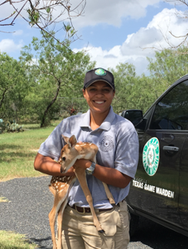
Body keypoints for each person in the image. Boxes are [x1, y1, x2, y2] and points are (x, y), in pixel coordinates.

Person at [34, 67, 139, 249]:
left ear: (113, 93)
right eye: (93, 89)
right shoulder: (69, 125)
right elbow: (39, 162)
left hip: (105, 216)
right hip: (70, 216)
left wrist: (88, 166)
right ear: (84, 93)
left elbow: (123, 179)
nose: (99, 94)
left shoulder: (124, 129)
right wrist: (67, 167)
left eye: (105, 89)